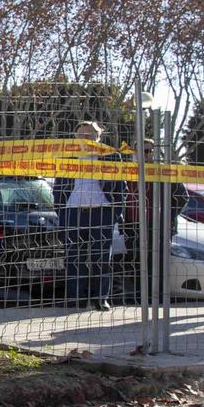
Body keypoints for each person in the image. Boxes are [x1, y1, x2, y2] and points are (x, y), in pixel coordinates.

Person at [53, 121, 125, 312]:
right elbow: (58, 187)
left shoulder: (111, 156)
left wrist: (115, 213)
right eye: (82, 135)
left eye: (90, 135)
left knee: (102, 258)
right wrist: (61, 212)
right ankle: (75, 298)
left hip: (102, 213)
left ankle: (101, 299)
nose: (86, 138)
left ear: (98, 137)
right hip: (74, 213)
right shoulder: (67, 157)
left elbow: (121, 188)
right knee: (74, 257)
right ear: (75, 137)